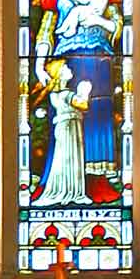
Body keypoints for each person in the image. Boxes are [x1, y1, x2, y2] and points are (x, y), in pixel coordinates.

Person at [32, 0, 121, 203]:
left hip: (98, 59)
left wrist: (100, 22)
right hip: (68, 62)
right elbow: (46, 32)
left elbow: (117, 25)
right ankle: (63, 177)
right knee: (67, 115)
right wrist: (39, 64)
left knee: (99, 113)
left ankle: (98, 179)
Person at [30, 60, 90, 208]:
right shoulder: (66, 94)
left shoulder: (55, 95)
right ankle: (73, 192)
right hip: (70, 127)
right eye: (65, 67)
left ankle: (66, 190)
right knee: (70, 157)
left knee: (63, 158)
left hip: (64, 127)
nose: (69, 68)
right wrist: (85, 92)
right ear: (59, 75)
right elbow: (83, 104)